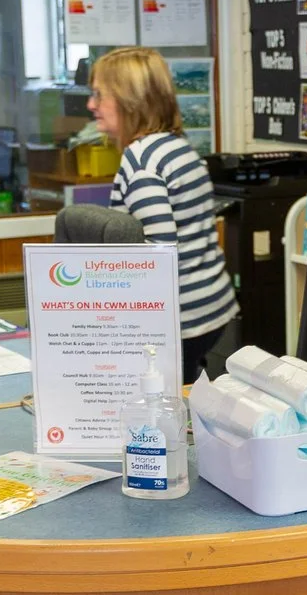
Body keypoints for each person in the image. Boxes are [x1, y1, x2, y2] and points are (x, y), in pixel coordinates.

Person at [86, 46, 239, 382]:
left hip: (178, 323)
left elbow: (157, 255)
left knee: (161, 417)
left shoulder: (141, 161)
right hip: (210, 308)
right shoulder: (176, 146)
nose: (91, 105)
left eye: (99, 95)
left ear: (129, 98)